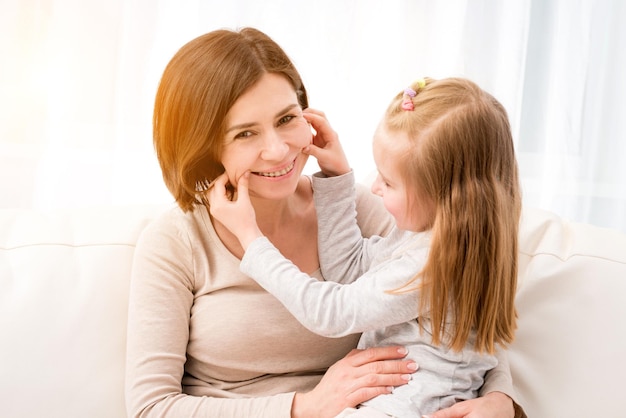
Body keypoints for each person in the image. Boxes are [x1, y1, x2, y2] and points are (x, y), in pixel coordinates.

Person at [124, 26, 525, 418]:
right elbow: (151, 408)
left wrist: (500, 400)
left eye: (286, 119)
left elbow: (458, 305)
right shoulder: (175, 242)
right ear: (202, 146)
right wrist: (306, 407)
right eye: (245, 133)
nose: (278, 150)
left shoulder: (360, 206)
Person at [207, 76, 522, 418]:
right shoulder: (441, 240)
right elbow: (349, 270)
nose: (374, 187)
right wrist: (336, 179)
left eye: (388, 181)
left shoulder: (433, 265)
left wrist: (252, 240)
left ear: (446, 198)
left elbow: (330, 312)